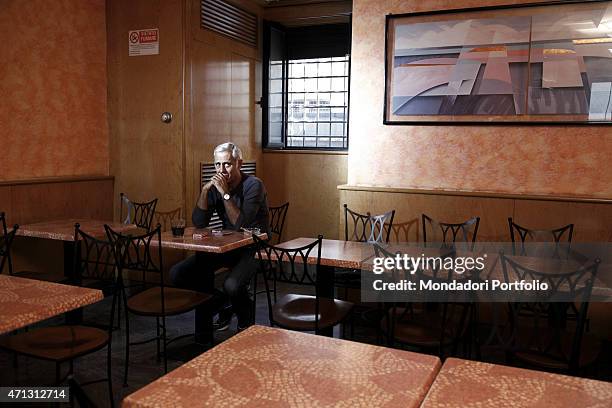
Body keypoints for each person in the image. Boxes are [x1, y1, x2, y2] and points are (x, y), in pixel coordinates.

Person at [170, 142, 269, 331]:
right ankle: (223, 304)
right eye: (217, 165)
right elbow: (199, 221)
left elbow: (241, 224)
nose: (222, 170)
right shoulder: (215, 187)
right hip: (227, 246)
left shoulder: (254, 185)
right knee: (177, 274)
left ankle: (244, 318)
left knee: (231, 285)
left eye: (227, 164)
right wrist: (206, 190)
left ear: (239, 163)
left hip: (255, 248)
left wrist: (224, 194)